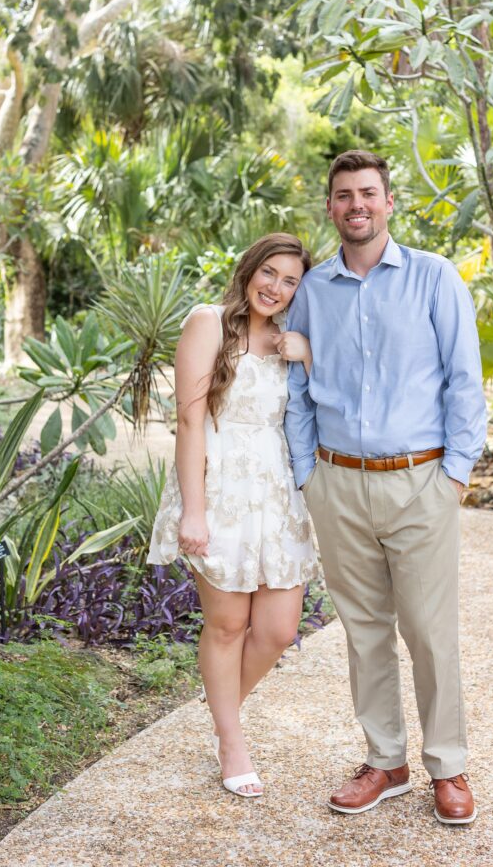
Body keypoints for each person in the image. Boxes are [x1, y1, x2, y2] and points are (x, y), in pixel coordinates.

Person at [285, 150, 487, 825]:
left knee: (429, 632)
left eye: (367, 192)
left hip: (419, 482)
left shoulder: (433, 279)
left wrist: (453, 474)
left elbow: (464, 382)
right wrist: (306, 474)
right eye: (343, 195)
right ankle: (385, 760)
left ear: (389, 201)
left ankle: (448, 767)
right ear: (330, 207)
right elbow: (295, 388)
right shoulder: (312, 291)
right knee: (363, 632)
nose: (355, 205)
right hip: (337, 484)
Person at [148, 233, 318, 798]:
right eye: (269, 272)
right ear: (249, 269)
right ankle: (231, 740)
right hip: (219, 488)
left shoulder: (290, 340)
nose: (276, 287)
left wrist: (309, 358)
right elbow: (190, 422)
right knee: (227, 626)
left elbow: (320, 409)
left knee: (277, 630)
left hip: (274, 493)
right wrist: (193, 512)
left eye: (290, 279)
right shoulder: (209, 323)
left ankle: (222, 712)